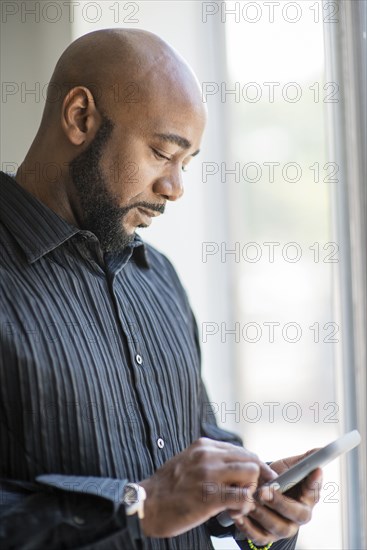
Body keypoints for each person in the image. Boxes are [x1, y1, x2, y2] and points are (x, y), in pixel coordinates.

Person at [0, 29, 322, 549]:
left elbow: (198, 444)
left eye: (186, 163)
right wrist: (136, 505)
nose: (174, 188)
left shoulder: (160, 277)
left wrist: (256, 508)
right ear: (81, 117)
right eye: (160, 153)